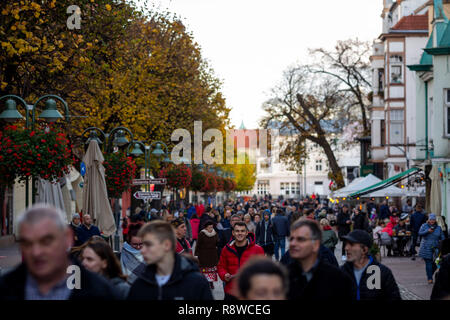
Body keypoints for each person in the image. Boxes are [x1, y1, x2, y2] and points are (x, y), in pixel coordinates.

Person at [0, 204, 117, 300]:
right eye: (27, 243)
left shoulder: (100, 291)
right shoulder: (5, 287)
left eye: (46, 241)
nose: (36, 252)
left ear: (67, 238)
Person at [127, 220, 213, 300]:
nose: (142, 250)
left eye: (148, 245)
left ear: (167, 245)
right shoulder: (139, 284)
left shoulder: (196, 283)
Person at [286, 219, 354, 300]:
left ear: (315, 245)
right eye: (291, 239)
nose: (293, 243)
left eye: (300, 239)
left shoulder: (337, 277)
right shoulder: (283, 274)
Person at [340, 230, 401, 300]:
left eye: (351, 244)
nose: (346, 248)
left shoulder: (382, 273)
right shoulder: (341, 273)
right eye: (346, 244)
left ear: (364, 250)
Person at [217, 221, 265, 300]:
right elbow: (221, 266)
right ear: (233, 233)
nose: (240, 233)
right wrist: (224, 275)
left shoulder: (258, 249)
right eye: (237, 231)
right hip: (231, 291)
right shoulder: (226, 249)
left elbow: (263, 270)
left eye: (242, 231)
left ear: (246, 233)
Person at [418, 213, 445, 284]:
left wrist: (443, 242)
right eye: (431, 219)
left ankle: (430, 274)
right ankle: (429, 278)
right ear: (428, 220)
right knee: (428, 262)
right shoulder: (424, 225)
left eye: (433, 219)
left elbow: (442, 237)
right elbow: (420, 233)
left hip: (436, 247)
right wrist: (427, 231)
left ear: (435, 220)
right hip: (426, 247)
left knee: (437, 262)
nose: (432, 221)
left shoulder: (438, 228)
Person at [195, 220, 219, 289]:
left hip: (212, 254)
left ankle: (211, 283)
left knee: (211, 271)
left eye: (212, 227)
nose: (211, 228)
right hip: (203, 255)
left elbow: (217, 242)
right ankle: (204, 283)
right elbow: (198, 244)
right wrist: (197, 254)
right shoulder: (202, 234)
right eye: (209, 227)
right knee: (204, 270)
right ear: (206, 228)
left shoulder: (215, 233)